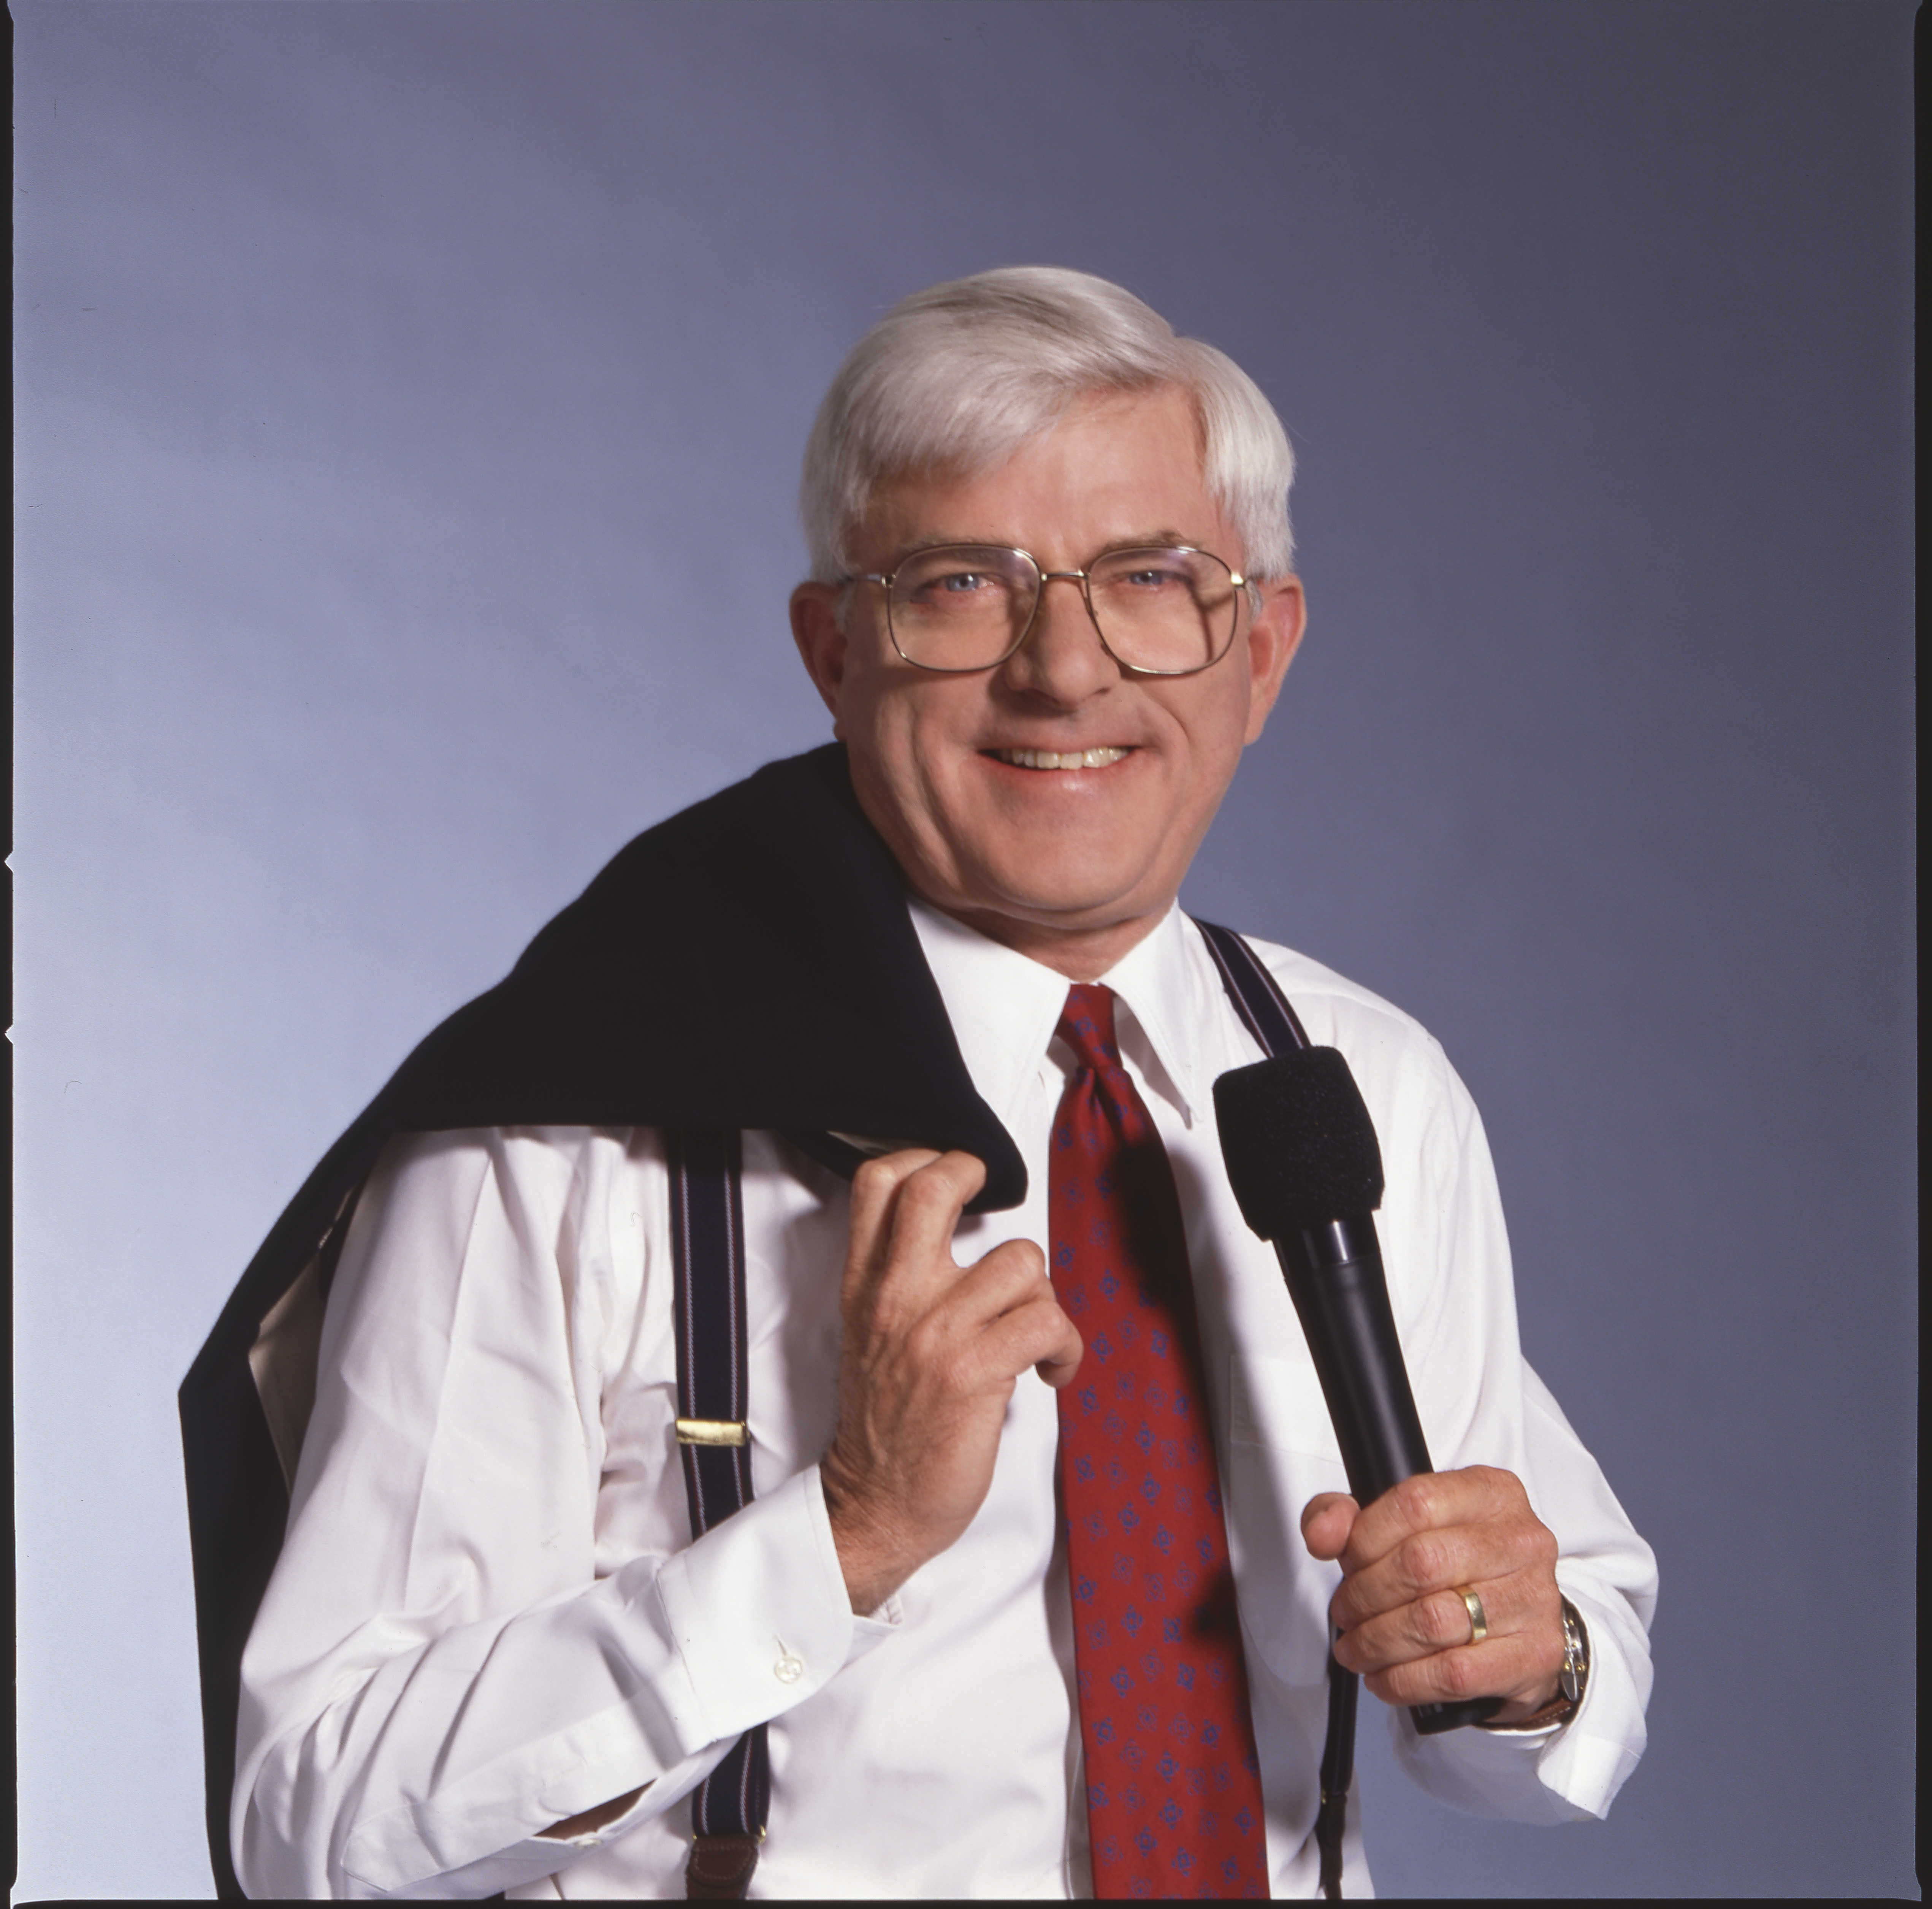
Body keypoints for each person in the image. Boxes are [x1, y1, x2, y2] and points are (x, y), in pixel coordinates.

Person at [187, 267, 1656, 1900]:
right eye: (962, 582)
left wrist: (1528, 1658)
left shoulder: (1358, 1086)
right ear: (833, 649)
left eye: (1151, 579)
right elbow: (312, 1816)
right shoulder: (567, 1121)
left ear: (1259, 650)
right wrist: (841, 1532)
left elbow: (1538, 1656)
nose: (1063, 668)